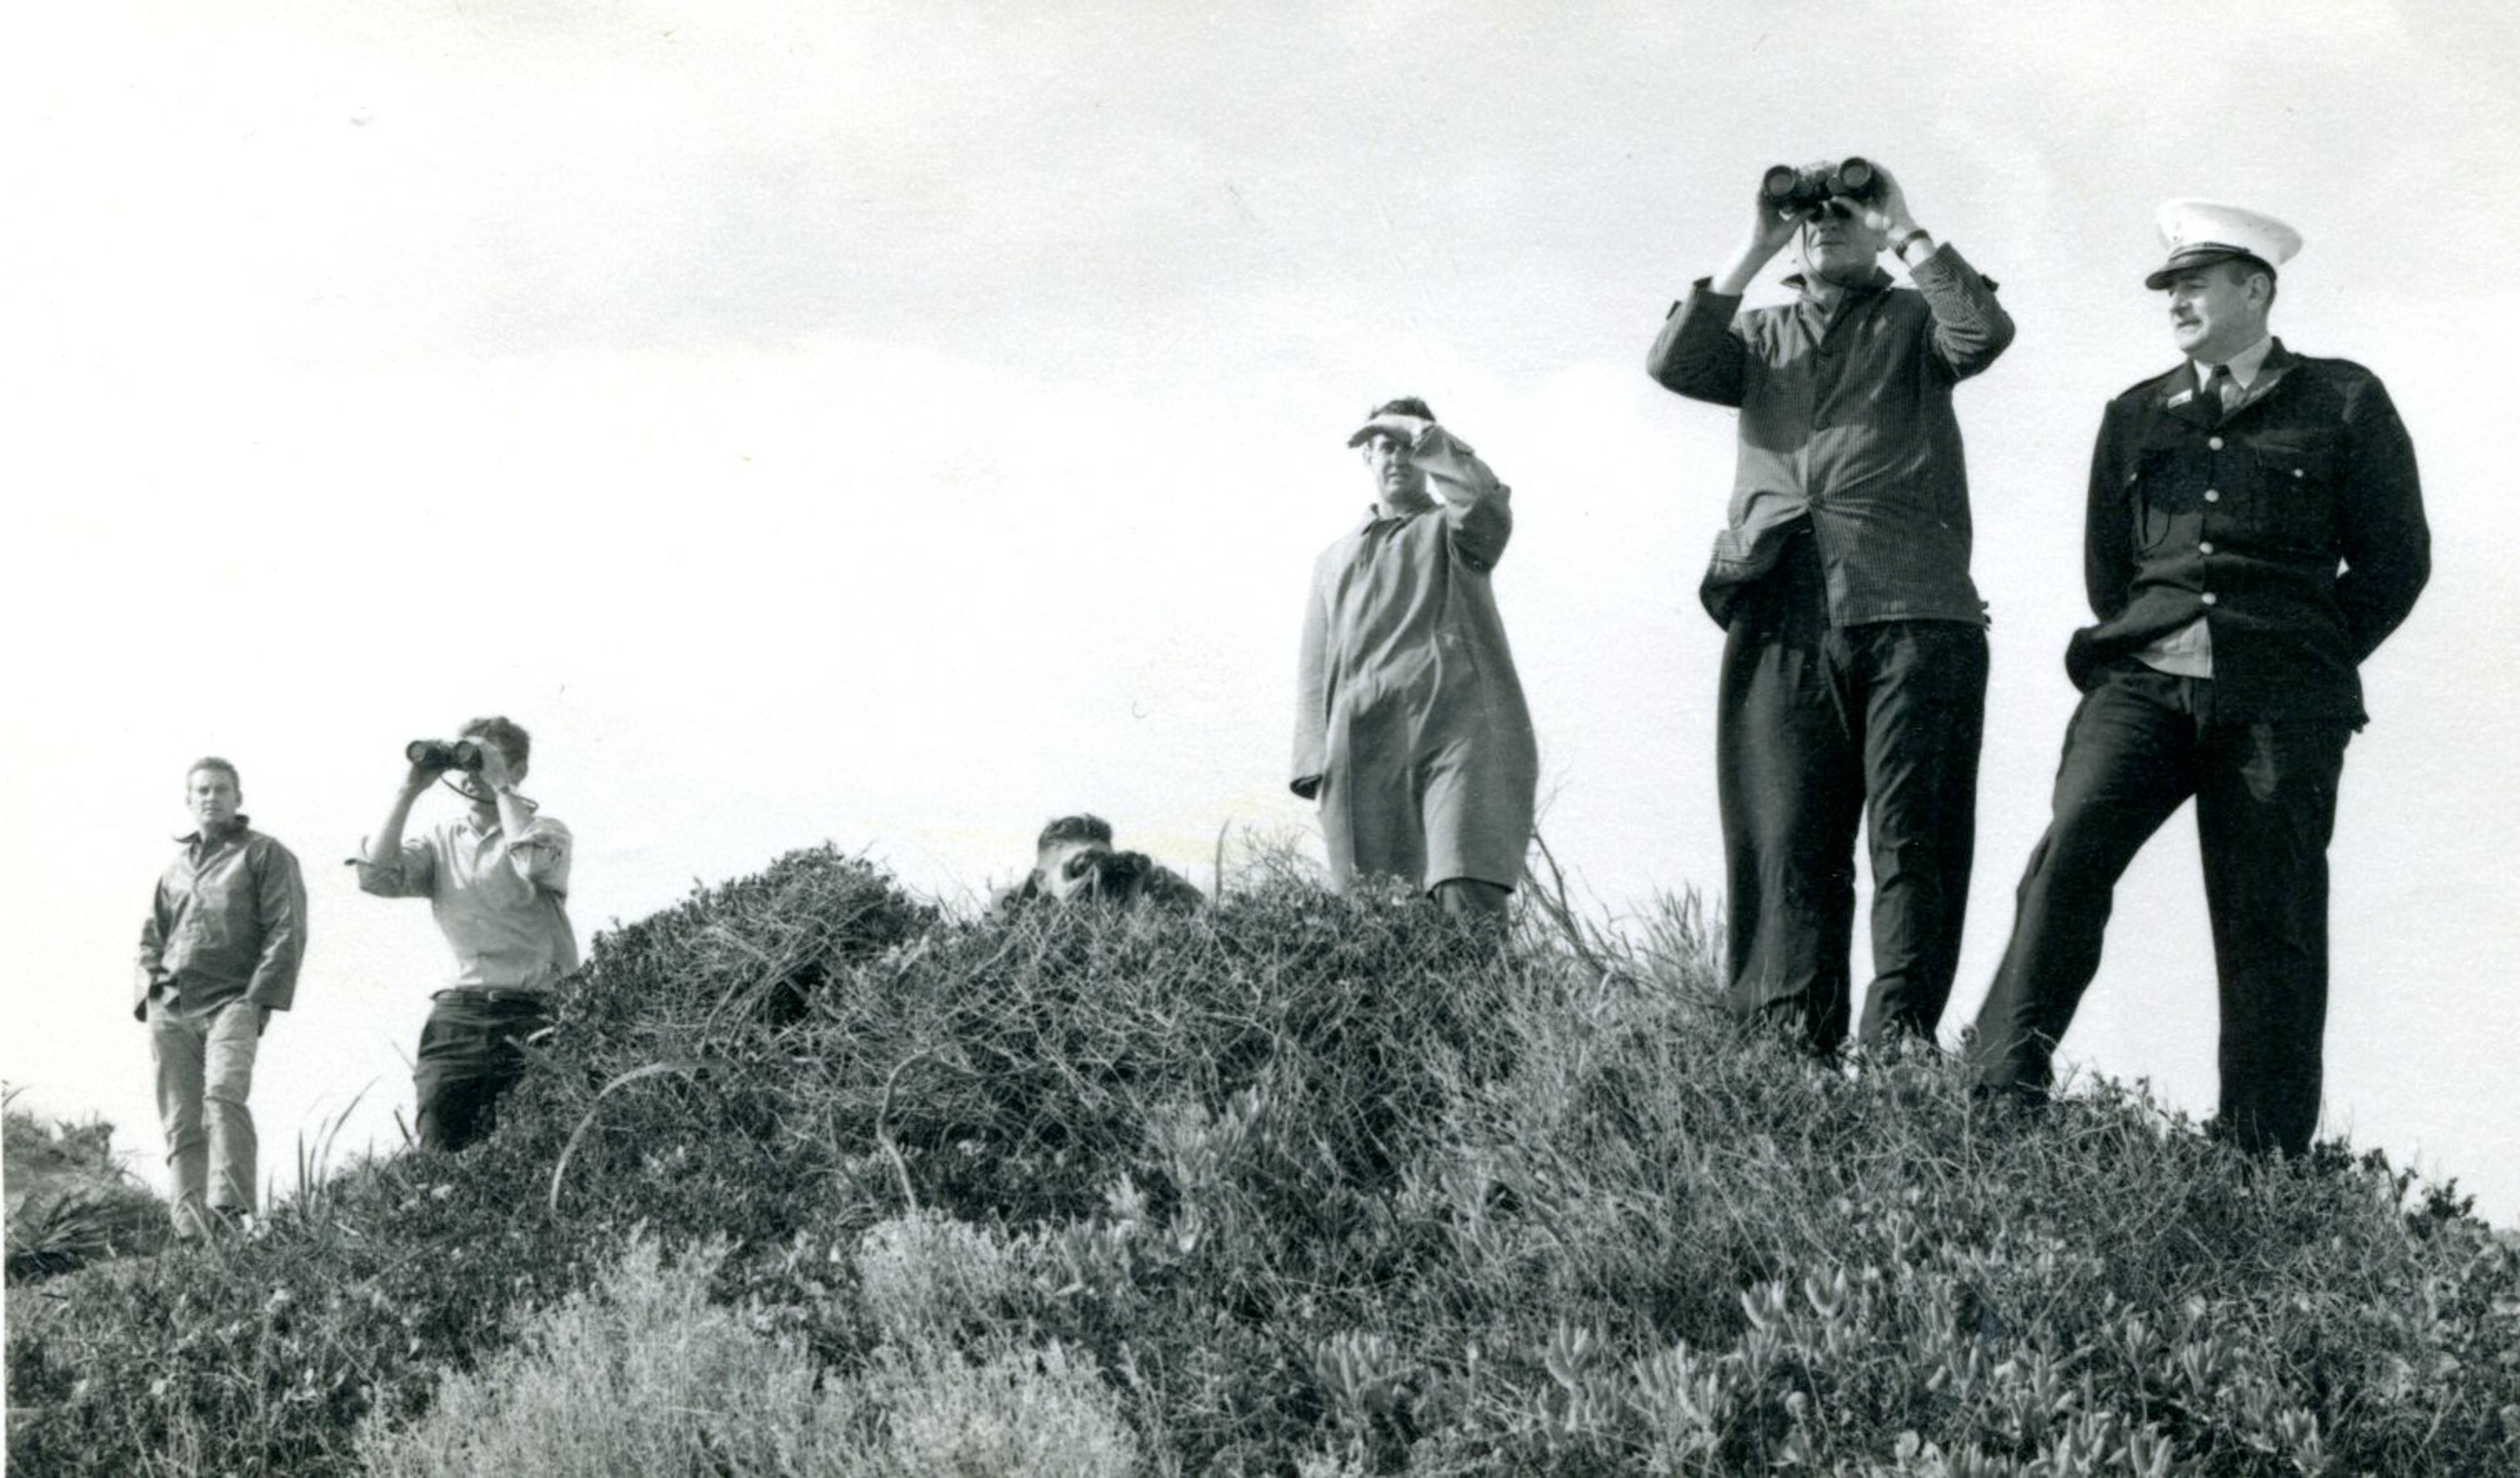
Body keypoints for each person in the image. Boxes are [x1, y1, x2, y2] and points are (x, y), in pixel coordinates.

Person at [1966, 201, 2430, 1156]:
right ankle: (1998, 1095)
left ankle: (2261, 1156)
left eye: (2196, 282)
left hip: (2281, 700)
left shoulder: (2344, 400)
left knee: (2273, 913)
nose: (2176, 299)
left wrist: (2308, 653)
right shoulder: (2135, 413)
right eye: (2170, 285)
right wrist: (2152, 637)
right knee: (2070, 854)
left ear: (2255, 289)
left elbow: (2397, 561)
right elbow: (2112, 571)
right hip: (2142, 682)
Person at [1647, 158, 2014, 1056]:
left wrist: (1904, 225)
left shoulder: (1916, 320)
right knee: (1784, 835)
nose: (1825, 223)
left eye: (1845, 211)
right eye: (1812, 218)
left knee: (1911, 837)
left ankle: (1898, 1046)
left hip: (1915, 607)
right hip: (1779, 602)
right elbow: (1675, 361)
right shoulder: (1763, 333)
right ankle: (1784, 1049)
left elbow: (1982, 334)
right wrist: (1758, 238)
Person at [1292, 398, 1538, 918]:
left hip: (1457, 733)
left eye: (1409, 448)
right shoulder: (1333, 559)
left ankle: (1487, 1003)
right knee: (1375, 913)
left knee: (1463, 886)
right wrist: (1315, 762)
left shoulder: (1456, 529)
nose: (1398, 459)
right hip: (1361, 743)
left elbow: (1483, 497)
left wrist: (1423, 432)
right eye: (1386, 447)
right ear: (1368, 459)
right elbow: (1314, 669)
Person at [356, 716, 576, 1152]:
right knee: (439, 1149)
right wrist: (410, 789)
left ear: (518, 770)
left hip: (534, 1012)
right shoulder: (442, 841)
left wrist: (503, 789)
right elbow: (376, 877)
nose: (470, 773)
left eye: (483, 760)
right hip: (458, 1017)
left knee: (534, 1152)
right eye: (466, 761)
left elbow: (531, 863)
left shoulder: (548, 832)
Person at [135, 757, 307, 1236]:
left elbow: (286, 930)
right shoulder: (175, 869)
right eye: (202, 791)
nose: (211, 798)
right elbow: (151, 937)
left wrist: (256, 1000)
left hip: (233, 1000)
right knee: (181, 1118)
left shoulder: (264, 854)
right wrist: (149, 996)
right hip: (170, 1008)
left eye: (221, 790)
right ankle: (191, 1232)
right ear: (189, 801)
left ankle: (230, 1215)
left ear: (239, 798)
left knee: (224, 1095)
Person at [996, 813, 1204, 910]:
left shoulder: (1148, 886)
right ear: (1042, 881)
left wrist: (1137, 890)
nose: (1098, 877)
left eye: (1107, 863)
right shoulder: (1011, 912)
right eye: (1081, 868)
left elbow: (1209, 917)